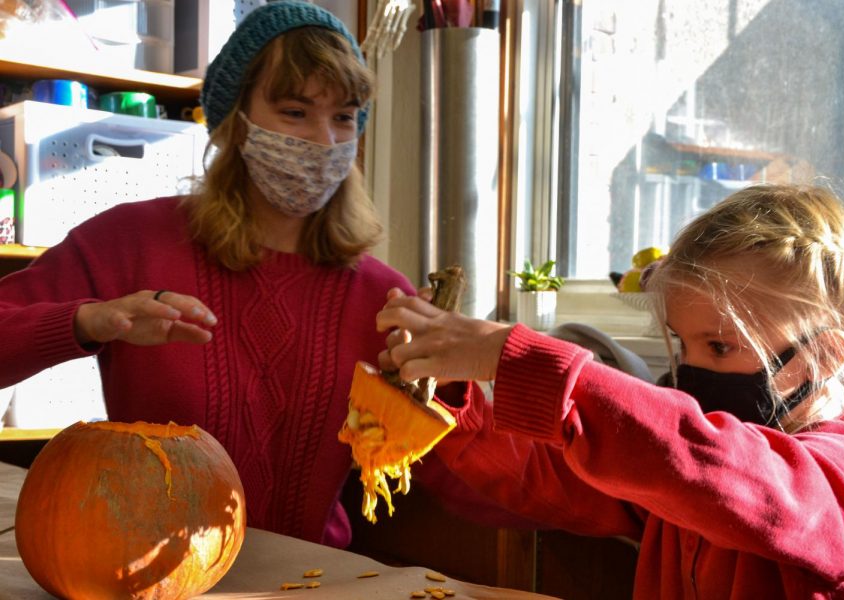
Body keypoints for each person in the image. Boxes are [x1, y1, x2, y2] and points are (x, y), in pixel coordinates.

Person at [0, 1, 497, 548]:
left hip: (314, 580)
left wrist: (444, 386)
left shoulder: (383, 297)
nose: (325, 141)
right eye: (294, 111)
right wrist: (87, 322)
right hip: (152, 570)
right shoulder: (129, 242)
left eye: (344, 116)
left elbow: (477, 491)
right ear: (236, 122)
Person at [377, 184, 844, 597]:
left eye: (719, 348)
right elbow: (544, 478)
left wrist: (529, 363)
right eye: (682, 343)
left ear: (826, 356)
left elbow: (724, 471)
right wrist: (451, 396)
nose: (692, 372)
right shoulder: (671, 474)